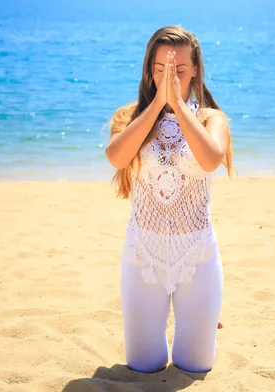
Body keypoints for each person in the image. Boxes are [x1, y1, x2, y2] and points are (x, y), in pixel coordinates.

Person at [104, 25, 235, 374]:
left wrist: (177, 105)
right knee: (144, 365)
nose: (169, 77)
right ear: (150, 71)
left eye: (178, 70)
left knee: (196, 364)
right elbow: (116, 157)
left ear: (194, 70)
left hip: (198, 255)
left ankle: (205, 321)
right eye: (161, 69)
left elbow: (210, 160)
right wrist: (158, 104)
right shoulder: (132, 117)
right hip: (141, 255)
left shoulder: (211, 119)